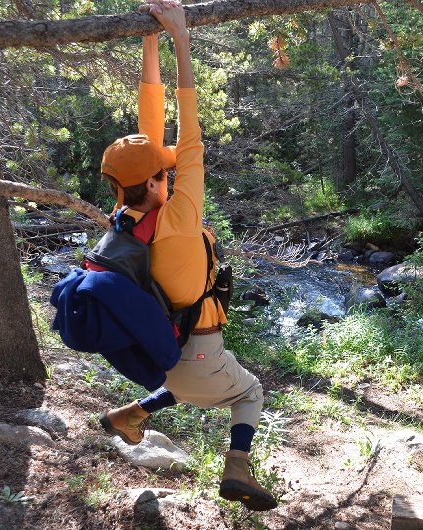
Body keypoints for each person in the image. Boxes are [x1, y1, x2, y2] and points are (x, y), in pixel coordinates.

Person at [95, 0, 277, 512]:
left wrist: (148, 39)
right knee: (249, 392)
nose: (172, 168)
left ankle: (128, 414)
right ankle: (236, 468)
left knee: (197, 382)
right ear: (155, 181)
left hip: (163, 355)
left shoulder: (125, 216)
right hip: (194, 352)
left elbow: (149, 132)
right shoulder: (179, 217)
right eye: (164, 171)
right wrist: (179, 38)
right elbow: (189, 133)